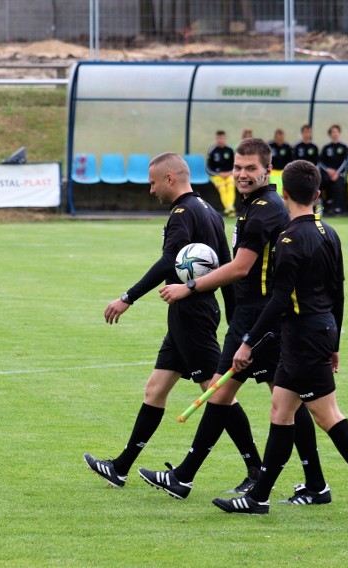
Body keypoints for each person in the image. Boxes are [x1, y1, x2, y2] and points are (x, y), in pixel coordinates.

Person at [139, 139, 330, 505]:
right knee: (278, 398)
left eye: (249, 168)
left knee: (234, 394)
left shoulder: (265, 209)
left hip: (260, 319)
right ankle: (315, 483)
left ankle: (186, 477)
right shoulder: (256, 206)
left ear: (266, 170)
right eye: (237, 167)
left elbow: (240, 267)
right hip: (257, 315)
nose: (242, 174)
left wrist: (189, 286)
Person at [211, 160, 348, 520]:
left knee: (327, 416)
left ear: (284, 194)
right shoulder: (329, 232)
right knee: (281, 411)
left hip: (303, 336)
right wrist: (335, 343)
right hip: (319, 332)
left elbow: (279, 300)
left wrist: (248, 342)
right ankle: (260, 498)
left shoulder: (289, 238)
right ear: (317, 194)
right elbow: (338, 292)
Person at [84, 152, 252, 489]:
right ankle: (120, 467)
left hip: (193, 315)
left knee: (217, 394)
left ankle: (257, 471)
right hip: (188, 315)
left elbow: (167, 263)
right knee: (155, 388)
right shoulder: (208, 210)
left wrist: (127, 297)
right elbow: (227, 268)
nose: (151, 190)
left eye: (153, 182)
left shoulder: (181, 213)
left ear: (170, 179)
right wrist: (234, 319)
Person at [318, 124, 348, 216]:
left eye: (336, 132)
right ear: (330, 134)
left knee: (339, 184)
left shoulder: (344, 147)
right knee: (324, 181)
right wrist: (328, 170)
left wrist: (337, 173)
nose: (335, 134)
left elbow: (345, 162)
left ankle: (337, 208)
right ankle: (326, 206)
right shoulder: (326, 147)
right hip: (328, 173)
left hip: (339, 173)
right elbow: (321, 162)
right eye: (333, 132)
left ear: (339, 133)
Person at [207, 130, 237, 217]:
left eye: (222, 138)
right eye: (219, 138)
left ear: (225, 138)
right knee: (222, 188)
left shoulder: (230, 150)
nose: (220, 140)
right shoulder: (212, 150)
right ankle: (229, 208)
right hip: (216, 175)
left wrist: (229, 173)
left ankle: (229, 208)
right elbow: (208, 169)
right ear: (216, 139)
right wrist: (219, 174)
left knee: (231, 186)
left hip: (229, 174)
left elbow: (235, 165)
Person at [268, 128, 293, 197]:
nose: (280, 141)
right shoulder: (270, 146)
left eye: (282, 139)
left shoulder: (287, 147)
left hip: (283, 172)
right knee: (272, 191)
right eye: (279, 139)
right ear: (275, 137)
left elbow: (290, 160)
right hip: (272, 172)